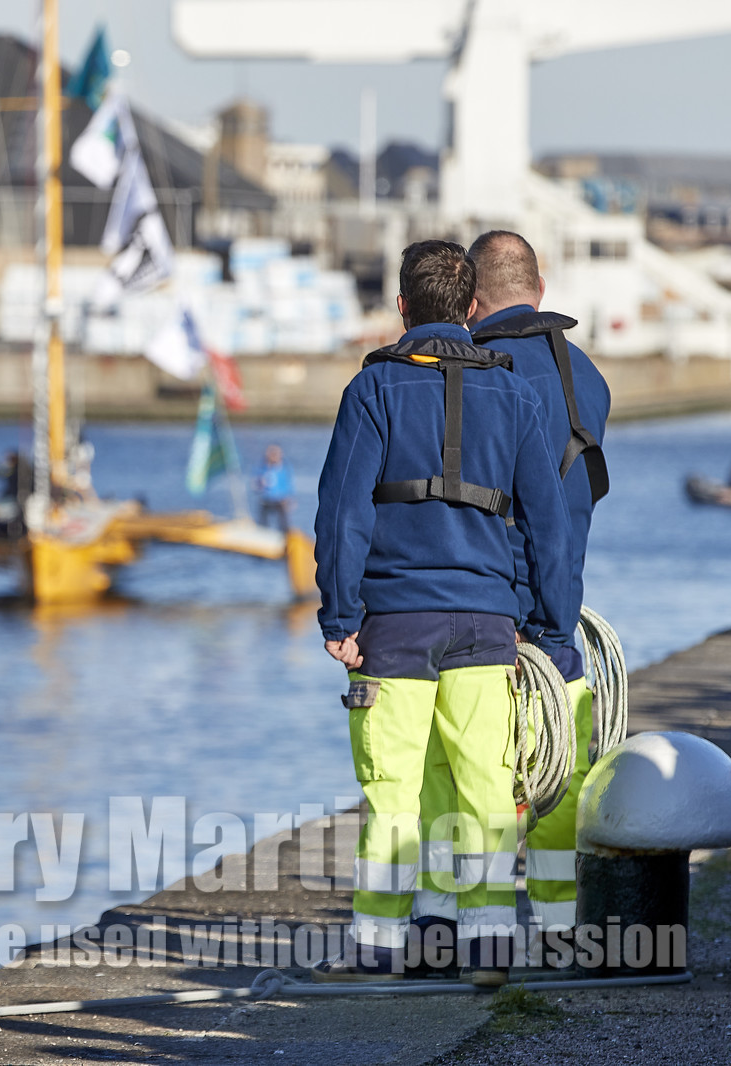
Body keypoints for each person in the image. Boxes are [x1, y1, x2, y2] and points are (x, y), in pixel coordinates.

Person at [313, 240, 576, 986]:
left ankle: (378, 945)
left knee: (393, 790)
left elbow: (341, 513)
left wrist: (340, 617)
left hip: (394, 624)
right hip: (489, 624)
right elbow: (547, 526)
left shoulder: (372, 390)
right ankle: (490, 946)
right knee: (488, 789)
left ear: (401, 307)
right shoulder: (515, 394)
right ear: (470, 309)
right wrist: (549, 627)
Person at [468, 230, 612, 961]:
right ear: (541, 289)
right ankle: (560, 926)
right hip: (564, 617)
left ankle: (482, 931)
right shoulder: (589, 377)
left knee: (483, 777)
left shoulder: (479, 372)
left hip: (494, 614)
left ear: (470, 299)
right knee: (562, 781)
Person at [254, 445, 294, 531]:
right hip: (266, 500)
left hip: (280, 500)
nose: (273, 456)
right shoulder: (263, 468)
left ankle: (286, 534)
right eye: (271, 453)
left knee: (284, 521)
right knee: (263, 522)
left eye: (275, 453)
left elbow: (289, 485)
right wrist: (259, 484)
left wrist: (289, 499)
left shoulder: (284, 468)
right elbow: (256, 485)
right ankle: (262, 533)